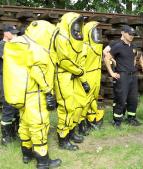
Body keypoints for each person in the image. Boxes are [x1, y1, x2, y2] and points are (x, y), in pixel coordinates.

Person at [3, 20, 61, 169]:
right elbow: (38, 71)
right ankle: (43, 161)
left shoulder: (21, 43)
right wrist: (48, 91)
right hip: (35, 94)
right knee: (39, 125)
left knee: (25, 124)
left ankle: (27, 154)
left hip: (22, 93)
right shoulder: (37, 49)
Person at [54, 12, 87, 151]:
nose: (78, 28)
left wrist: (77, 72)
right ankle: (63, 139)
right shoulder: (61, 37)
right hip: (63, 76)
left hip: (72, 76)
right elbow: (63, 60)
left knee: (75, 105)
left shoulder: (71, 37)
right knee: (66, 107)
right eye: (76, 24)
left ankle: (71, 132)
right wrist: (78, 71)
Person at [103, 25, 141, 128]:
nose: (132, 36)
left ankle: (131, 118)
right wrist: (111, 72)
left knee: (133, 99)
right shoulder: (118, 46)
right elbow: (107, 58)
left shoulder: (133, 46)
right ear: (123, 33)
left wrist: (133, 66)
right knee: (121, 99)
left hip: (133, 76)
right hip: (122, 76)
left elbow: (135, 57)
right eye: (130, 34)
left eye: (133, 34)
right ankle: (117, 121)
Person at [0, 24, 20, 146]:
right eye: (12, 33)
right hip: (6, 78)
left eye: (16, 33)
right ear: (5, 33)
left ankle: (14, 133)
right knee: (8, 105)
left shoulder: (13, 45)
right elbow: (10, 59)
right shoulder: (0, 45)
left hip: (16, 78)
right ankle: (5, 138)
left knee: (16, 106)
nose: (15, 35)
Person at [78, 21, 104, 135]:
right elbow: (81, 66)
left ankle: (92, 120)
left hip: (96, 77)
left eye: (98, 31)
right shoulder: (84, 47)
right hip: (88, 76)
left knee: (93, 99)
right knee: (85, 101)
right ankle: (80, 123)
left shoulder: (97, 46)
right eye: (95, 31)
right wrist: (84, 81)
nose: (97, 34)